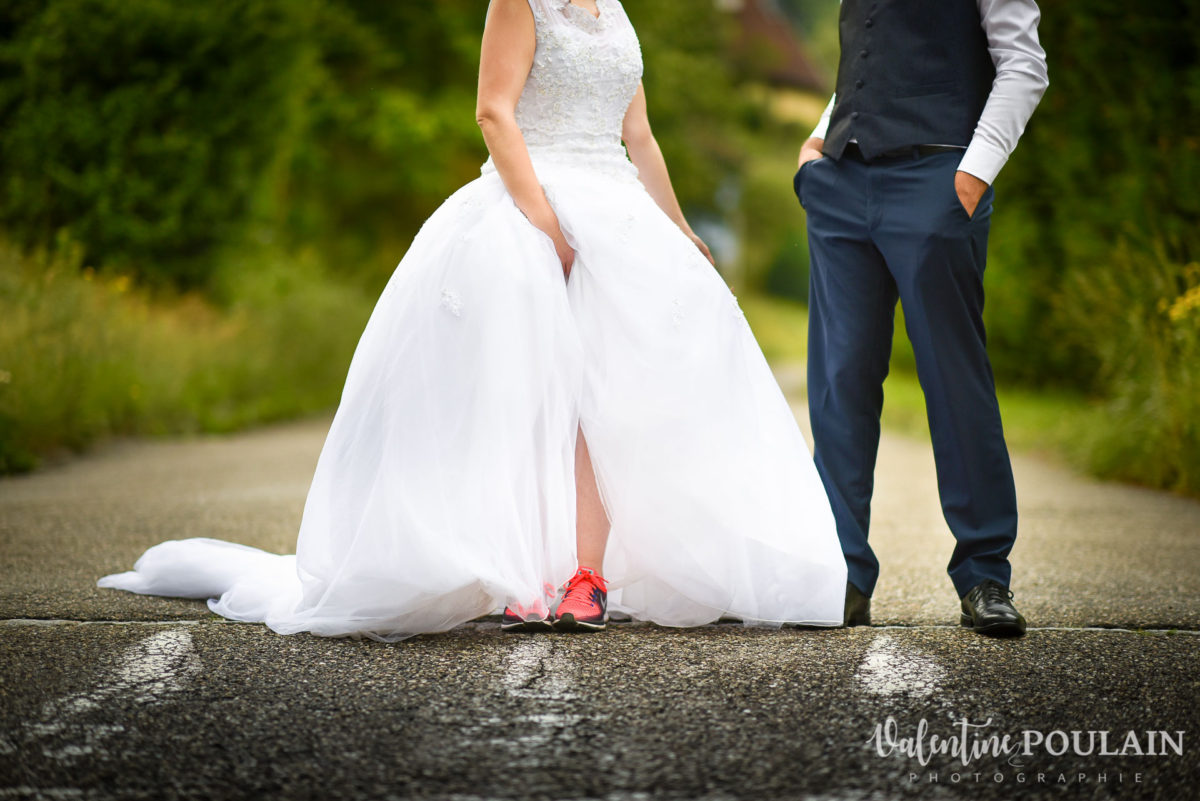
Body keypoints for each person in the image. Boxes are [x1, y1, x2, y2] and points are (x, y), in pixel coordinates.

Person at [98, 0, 848, 641]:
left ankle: (587, 576)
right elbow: (494, 111)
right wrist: (547, 227)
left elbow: (640, 136)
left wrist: (681, 231)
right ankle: (519, 568)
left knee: (609, 400)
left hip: (619, 209)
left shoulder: (613, 8)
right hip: (533, 202)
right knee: (524, 389)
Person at [793, 0, 1049, 637]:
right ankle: (842, 576)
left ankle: (984, 572)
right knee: (839, 383)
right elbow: (868, 64)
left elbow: (1024, 65)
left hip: (939, 181)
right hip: (842, 182)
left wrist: (973, 172)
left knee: (954, 381)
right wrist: (818, 146)